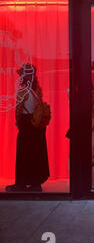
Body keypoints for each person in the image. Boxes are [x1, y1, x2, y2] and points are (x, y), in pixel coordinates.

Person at [6, 63, 50, 192]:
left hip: (26, 124)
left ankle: (21, 183)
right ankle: (35, 183)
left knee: (23, 154)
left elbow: (18, 111)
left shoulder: (22, 92)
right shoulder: (38, 89)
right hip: (36, 125)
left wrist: (18, 122)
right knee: (35, 153)